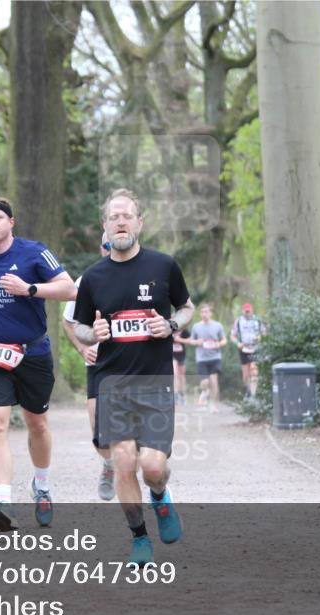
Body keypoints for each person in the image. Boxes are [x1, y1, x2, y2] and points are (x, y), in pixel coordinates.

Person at [72, 188, 195, 565]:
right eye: (114, 217)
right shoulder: (93, 278)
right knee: (124, 463)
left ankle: (160, 496)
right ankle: (139, 538)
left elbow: (187, 307)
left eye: (127, 215)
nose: (121, 222)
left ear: (139, 223)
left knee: (154, 467)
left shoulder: (163, 266)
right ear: (105, 228)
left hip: (155, 382)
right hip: (113, 385)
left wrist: (171, 324)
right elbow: (79, 327)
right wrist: (96, 334)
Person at [0, 196, 76, 532]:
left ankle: (43, 485)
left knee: (37, 424)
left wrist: (29, 288)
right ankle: (3, 503)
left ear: (11, 222)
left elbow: (70, 289)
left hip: (32, 352)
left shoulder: (34, 252)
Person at [61, 234, 115, 501]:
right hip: (98, 361)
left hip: (132, 361)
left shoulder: (142, 276)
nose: (111, 249)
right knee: (97, 426)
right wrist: (82, 348)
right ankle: (109, 466)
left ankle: (149, 474)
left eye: (114, 243)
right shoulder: (86, 280)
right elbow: (68, 322)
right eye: (106, 245)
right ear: (101, 248)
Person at [190, 304, 227, 413]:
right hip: (202, 358)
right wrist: (197, 342)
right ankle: (204, 393)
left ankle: (212, 405)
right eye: (202, 312)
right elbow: (191, 341)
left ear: (210, 313)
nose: (205, 314)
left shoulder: (218, 326)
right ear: (200, 314)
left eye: (207, 312)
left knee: (214, 380)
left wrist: (218, 344)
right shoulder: (196, 326)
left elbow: (224, 340)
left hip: (215, 357)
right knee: (205, 382)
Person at [231, 302, 266, 396]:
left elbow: (264, 333)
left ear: (252, 310)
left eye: (248, 311)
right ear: (243, 311)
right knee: (246, 374)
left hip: (255, 349)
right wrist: (238, 343)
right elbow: (232, 336)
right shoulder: (238, 321)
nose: (247, 313)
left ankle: (254, 394)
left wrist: (260, 338)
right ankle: (248, 392)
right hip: (243, 349)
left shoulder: (258, 320)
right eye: (245, 311)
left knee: (254, 371)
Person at [172, 326, 191, 405]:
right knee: (175, 374)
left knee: (181, 376)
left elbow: (190, 340)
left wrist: (179, 340)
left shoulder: (184, 330)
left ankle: (182, 394)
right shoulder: (170, 328)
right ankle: (175, 395)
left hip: (181, 355)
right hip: (172, 354)